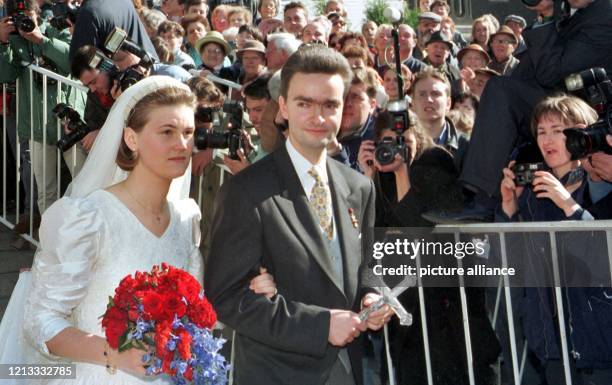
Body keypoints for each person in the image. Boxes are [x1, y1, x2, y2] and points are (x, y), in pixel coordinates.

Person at [0, 76, 275, 382]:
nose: (181, 145)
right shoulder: (88, 218)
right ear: (131, 139)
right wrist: (112, 354)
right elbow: (40, 321)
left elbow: (195, 314)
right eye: (167, 132)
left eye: (187, 133)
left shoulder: (185, 219)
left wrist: (245, 290)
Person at [205, 45, 394, 385]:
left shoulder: (359, 187)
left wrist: (373, 296)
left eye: (329, 105)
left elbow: (367, 267)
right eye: (305, 103)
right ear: (283, 109)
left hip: (349, 371)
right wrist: (319, 326)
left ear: (343, 110)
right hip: (277, 373)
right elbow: (226, 296)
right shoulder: (246, 190)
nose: (318, 117)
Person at [432, 0, 612, 223]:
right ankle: (479, 195)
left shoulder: (605, 13)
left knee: (501, 91)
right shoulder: (567, 10)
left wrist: (546, 16)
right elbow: (526, 71)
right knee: (500, 92)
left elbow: (553, 71)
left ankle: (482, 199)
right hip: (553, 101)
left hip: (582, 111)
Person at [497, 94, 612, 384]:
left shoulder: (601, 185)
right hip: (550, 345)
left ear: (581, 135)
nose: (547, 140)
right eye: (541, 132)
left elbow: (602, 258)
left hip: (599, 342)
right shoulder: (535, 193)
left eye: (558, 131)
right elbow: (513, 264)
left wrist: (570, 207)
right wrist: (509, 209)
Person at [68, 0, 158, 63]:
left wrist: (77, 32)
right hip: (152, 69)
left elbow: (79, 66)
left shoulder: (89, 13)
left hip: (134, 80)